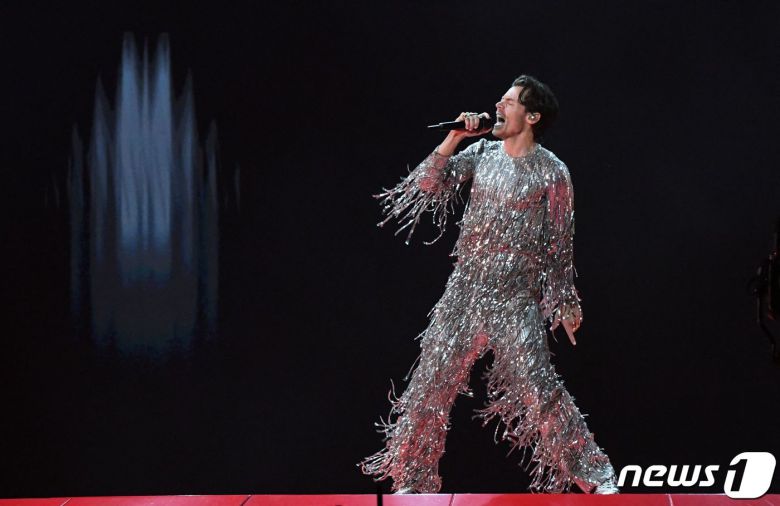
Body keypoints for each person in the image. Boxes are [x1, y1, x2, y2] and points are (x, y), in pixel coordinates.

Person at [358, 75, 619, 494]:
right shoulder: (481, 153)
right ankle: (412, 482)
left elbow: (559, 245)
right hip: (463, 294)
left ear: (531, 116)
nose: (499, 103)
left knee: (539, 389)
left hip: (515, 300)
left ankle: (596, 477)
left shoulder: (553, 173)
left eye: (511, 100)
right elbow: (428, 184)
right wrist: (454, 139)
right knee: (429, 385)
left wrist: (566, 302)